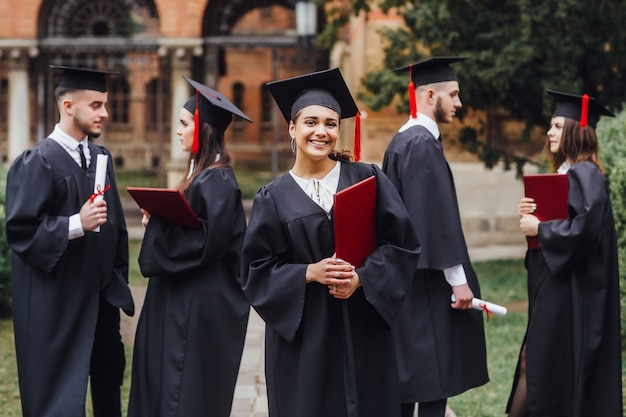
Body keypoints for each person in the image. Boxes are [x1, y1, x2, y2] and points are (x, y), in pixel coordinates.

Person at [240, 67, 421, 417]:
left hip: (364, 329)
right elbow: (255, 272)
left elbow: (403, 246)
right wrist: (309, 272)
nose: (321, 132)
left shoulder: (367, 180)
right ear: (291, 128)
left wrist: (363, 278)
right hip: (306, 340)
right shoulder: (272, 198)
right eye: (310, 122)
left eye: (331, 123)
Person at [5, 65, 134, 417]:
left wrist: (115, 280)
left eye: (105, 104)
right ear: (67, 106)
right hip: (58, 305)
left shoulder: (101, 158)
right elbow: (20, 230)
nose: (105, 113)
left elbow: (117, 229)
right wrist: (76, 223)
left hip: (100, 301)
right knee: (60, 396)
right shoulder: (37, 162)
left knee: (109, 385)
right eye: (95, 105)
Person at [127, 76, 252, 417]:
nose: (178, 132)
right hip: (183, 300)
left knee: (181, 393)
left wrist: (159, 226)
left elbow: (205, 244)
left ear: (204, 128)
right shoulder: (205, 175)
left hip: (195, 308)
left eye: (184, 124)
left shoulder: (217, 180)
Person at [382, 57, 489, 417]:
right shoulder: (421, 144)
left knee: (410, 379)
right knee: (432, 379)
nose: (459, 103)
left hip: (407, 281)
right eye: (453, 94)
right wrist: (458, 282)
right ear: (430, 95)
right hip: (428, 286)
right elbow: (434, 219)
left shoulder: (401, 141)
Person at [507, 90, 622, 417]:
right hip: (558, 289)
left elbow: (585, 230)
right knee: (537, 363)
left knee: (538, 362)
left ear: (576, 129)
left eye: (558, 125)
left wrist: (540, 230)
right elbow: (570, 221)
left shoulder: (585, 173)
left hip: (571, 296)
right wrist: (534, 214)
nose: (549, 132)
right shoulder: (569, 174)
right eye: (551, 125)